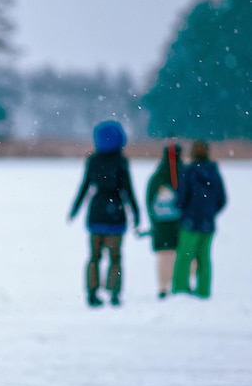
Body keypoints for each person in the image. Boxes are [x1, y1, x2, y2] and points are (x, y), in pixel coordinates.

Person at [68, 120, 140, 307]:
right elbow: (128, 190)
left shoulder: (93, 160)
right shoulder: (121, 161)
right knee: (115, 257)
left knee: (94, 256)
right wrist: (136, 212)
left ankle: (92, 292)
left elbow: (84, 186)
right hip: (115, 213)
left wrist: (75, 208)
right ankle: (114, 292)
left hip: (96, 212)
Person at [172, 140, 227, 298]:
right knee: (204, 259)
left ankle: (180, 289)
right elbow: (222, 199)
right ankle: (204, 291)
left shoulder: (188, 171)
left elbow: (181, 198)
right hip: (207, 224)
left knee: (184, 257)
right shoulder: (214, 172)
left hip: (189, 222)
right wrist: (209, 213)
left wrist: (183, 209)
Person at [145, 141, 184, 298]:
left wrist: (154, 221)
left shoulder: (157, 176)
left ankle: (163, 287)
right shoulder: (183, 173)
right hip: (180, 224)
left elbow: (149, 200)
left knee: (164, 256)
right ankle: (180, 284)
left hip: (161, 224)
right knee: (182, 254)